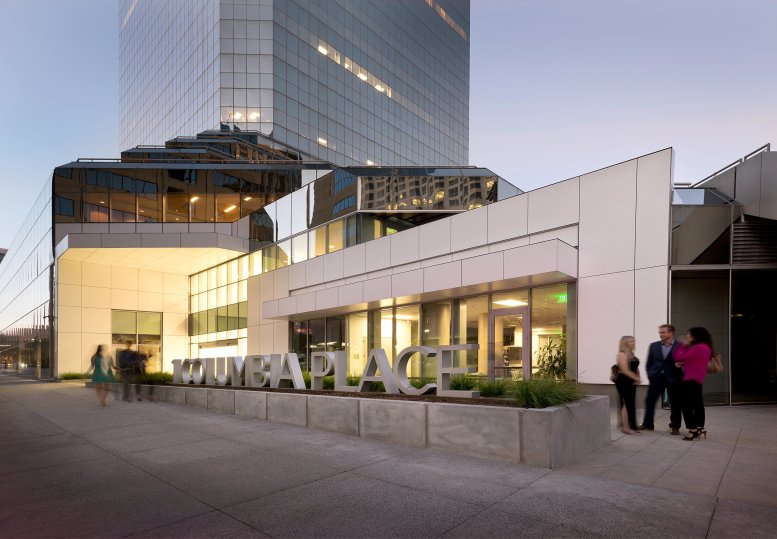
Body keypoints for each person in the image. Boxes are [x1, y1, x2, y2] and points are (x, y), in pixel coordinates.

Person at [639, 324, 683, 434]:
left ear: (671, 333)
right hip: (656, 378)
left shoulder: (680, 346)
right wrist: (650, 375)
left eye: (663, 332)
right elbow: (649, 362)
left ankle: (675, 426)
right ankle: (647, 424)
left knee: (675, 403)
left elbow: (685, 362)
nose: (660, 334)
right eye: (660, 332)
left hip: (674, 378)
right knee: (650, 401)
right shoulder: (653, 345)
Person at [673, 327, 713, 441]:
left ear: (696, 336)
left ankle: (692, 430)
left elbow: (678, 356)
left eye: (689, 334)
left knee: (686, 405)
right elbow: (696, 362)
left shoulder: (698, 347)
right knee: (697, 404)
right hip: (697, 379)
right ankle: (699, 427)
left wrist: (683, 345)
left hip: (690, 379)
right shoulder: (705, 347)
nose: (687, 336)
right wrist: (684, 364)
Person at [614, 335, 642, 435]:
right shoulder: (621, 354)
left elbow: (635, 367)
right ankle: (625, 428)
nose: (634, 343)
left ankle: (632, 425)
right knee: (626, 404)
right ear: (625, 343)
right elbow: (625, 370)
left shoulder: (631, 354)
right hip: (624, 381)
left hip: (631, 380)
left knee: (631, 403)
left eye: (634, 341)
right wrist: (636, 378)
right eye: (631, 341)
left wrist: (638, 376)